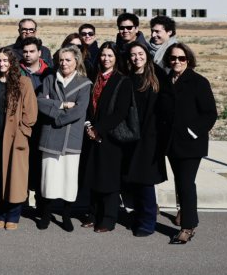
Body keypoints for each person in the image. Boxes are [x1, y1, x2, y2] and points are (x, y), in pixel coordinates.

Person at [0, 47, 38, 229]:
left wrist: (22, 132)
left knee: (14, 177)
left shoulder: (23, 82)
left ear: (12, 63)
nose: (1, 64)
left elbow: (31, 113)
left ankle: (13, 213)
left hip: (14, 138)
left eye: (5, 60)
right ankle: (0, 211)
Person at [164, 43, 217, 245]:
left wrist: (191, 132)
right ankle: (182, 212)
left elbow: (210, 114)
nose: (176, 62)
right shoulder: (167, 80)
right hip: (171, 143)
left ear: (188, 60)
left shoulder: (198, 82)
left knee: (186, 184)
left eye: (181, 58)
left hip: (190, 144)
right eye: (173, 58)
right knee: (179, 181)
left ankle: (188, 226)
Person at [34, 45, 92, 232]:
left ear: (76, 61)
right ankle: (45, 214)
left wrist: (57, 117)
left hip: (71, 137)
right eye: (61, 59)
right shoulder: (50, 78)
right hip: (50, 136)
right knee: (48, 179)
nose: (64, 63)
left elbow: (80, 110)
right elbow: (40, 101)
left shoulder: (84, 83)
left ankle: (66, 216)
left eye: (68, 59)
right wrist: (62, 104)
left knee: (69, 179)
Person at [82, 43, 133, 232]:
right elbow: (87, 106)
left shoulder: (122, 81)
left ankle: (108, 218)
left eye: (110, 55)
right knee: (94, 177)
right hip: (92, 134)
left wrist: (99, 130)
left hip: (110, 137)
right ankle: (93, 214)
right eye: (103, 55)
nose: (106, 59)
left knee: (109, 180)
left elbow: (120, 112)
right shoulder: (93, 78)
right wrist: (88, 126)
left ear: (116, 58)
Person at [122, 42, 168, 238]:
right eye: (133, 55)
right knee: (131, 179)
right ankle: (138, 215)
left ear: (147, 55)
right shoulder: (128, 78)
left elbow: (165, 108)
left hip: (150, 137)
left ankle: (148, 221)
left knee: (146, 180)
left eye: (140, 54)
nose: (137, 58)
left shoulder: (157, 76)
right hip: (131, 135)